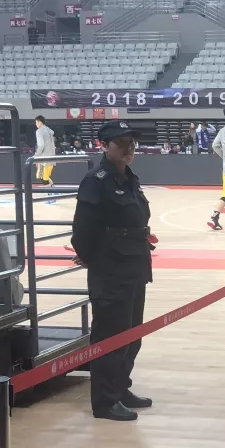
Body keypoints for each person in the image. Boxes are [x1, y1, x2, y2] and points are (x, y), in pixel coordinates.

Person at [70, 121, 155, 422]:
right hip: (111, 270)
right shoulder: (96, 181)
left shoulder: (129, 178)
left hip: (134, 265)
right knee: (110, 336)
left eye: (131, 142)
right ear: (104, 146)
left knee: (132, 336)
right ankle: (105, 401)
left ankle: (120, 388)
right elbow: (82, 230)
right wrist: (94, 260)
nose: (129, 147)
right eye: (121, 142)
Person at [34, 116, 56, 187]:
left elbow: (41, 145)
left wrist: (36, 155)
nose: (36, 124)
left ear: (40, 122)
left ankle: (48, 187)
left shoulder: (39, 131)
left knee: (42, 176)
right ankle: (51, 186)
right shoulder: (49, 130)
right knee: (45, 175)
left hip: (44, 157)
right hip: (52, 157)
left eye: (36, 123)